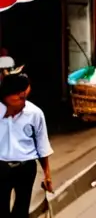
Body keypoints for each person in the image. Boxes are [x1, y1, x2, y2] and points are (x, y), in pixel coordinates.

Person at [0, 74, 53, 217]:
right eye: (16, 96)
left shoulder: (35, 113)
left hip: (26, 167)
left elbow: (42, 145)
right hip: (1, 167)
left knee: (21, 209)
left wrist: (47, 175)